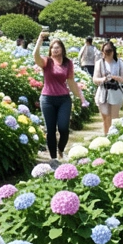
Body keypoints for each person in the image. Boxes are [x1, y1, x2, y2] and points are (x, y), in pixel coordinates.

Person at [33, 31, 83, 164]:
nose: (55, 49)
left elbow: (71, 82)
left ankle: (61, 149)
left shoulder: (68, 63)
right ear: (50, 50)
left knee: (63, 128)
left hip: (64, 99)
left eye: (57, 47)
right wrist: (40, 40)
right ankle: (54, 158)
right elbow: (35, 56)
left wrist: (81, 97)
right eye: (53, 47)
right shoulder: (46, 62)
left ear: (62, 49)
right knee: (50, 130)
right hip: (47, 99)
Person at [93, 41, 123, 135]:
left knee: (115, 118)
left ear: (113, 51)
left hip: (115, 91)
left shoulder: (119, 62)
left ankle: (114, 136)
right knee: (105, 117)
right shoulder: (99, 63)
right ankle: (106, 136)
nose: (107, 53)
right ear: (102, 52)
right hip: (103, 92)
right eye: (105, 51)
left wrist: (116, 78)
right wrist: (103, 79)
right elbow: (95, 79)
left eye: (110, 51)